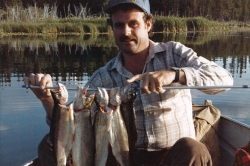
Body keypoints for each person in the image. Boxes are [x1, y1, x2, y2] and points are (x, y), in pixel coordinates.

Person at [23, 0, 234, 165]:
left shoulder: (174, 53)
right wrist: (47, 100)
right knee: (49, 146)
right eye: (119, 25)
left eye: (133, 24)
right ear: (112, 29)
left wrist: (174, 74)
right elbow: (70, 126)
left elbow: (224, 80)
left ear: (148, 25)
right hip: (122, 156)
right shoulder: (103, 76)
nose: (126, 32)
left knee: (192, 149)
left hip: (170, 157)